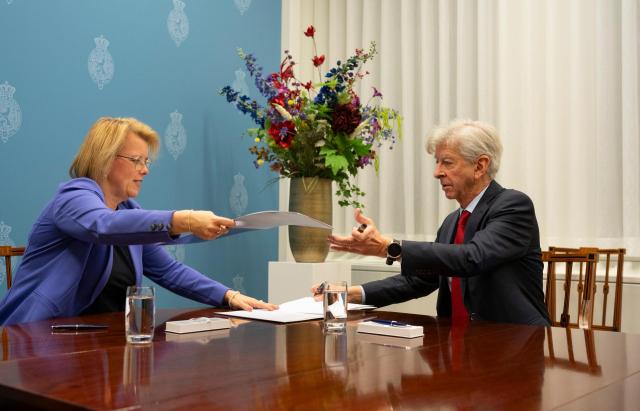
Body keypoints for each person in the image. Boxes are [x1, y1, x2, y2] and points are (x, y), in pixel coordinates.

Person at [0, 117, 276, 325]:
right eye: (136, 160)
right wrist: (186, 220)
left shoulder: (128, 211)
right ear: (106, 159)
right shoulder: (73, 197)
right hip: (32, 337)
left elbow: (169, 272)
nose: (144, 170)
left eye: (146, 162)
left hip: (98, 342)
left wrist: (228, 296)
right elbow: (102, 227)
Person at [324, 119, 550, 326]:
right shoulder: (452, 222)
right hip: (461, 347)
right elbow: (419, 281)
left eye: (447, 163)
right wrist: (351, 294)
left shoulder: (513, 206)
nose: (437, 173)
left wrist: (388, 247)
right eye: (437, 162)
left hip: (516, 343)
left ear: (480, 166)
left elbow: (472, 258)